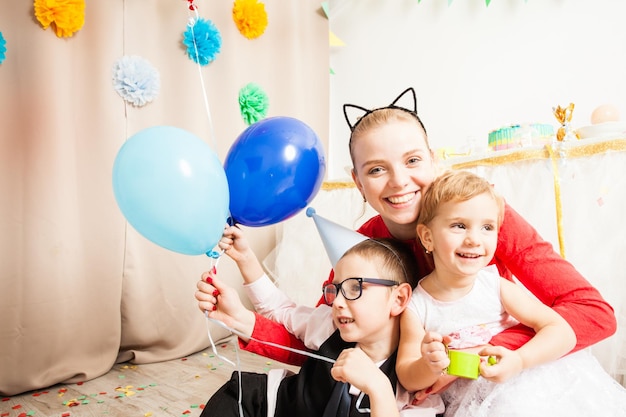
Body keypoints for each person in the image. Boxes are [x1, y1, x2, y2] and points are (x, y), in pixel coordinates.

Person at [215, 87, 616, 385]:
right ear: (357, 182)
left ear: (435, 160)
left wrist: (483, 351)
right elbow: (329, 344)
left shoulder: (485, 219)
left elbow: (593, 312)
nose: (399, 181)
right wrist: (249, 324)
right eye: (376, 169)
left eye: (412, 160)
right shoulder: (360, 251)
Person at [396, 169, 626, 416]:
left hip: (529, 379)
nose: (474, 239)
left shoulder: (495, 286)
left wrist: (520, 361)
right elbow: (407, 376)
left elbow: (562, 331)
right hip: (475, 403)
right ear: (427, 237)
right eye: (459, 226)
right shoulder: (417, 306)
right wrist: (430, 365)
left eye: (487, 227)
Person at [195, 238, 445, 417]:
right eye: (334, 289)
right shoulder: (327, 326)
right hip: (264, 406)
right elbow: (280, 310)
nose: (336, 302)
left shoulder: (414, 375)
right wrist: (246, 259)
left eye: (355, 288)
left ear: (399, 299)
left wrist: (378, 387)